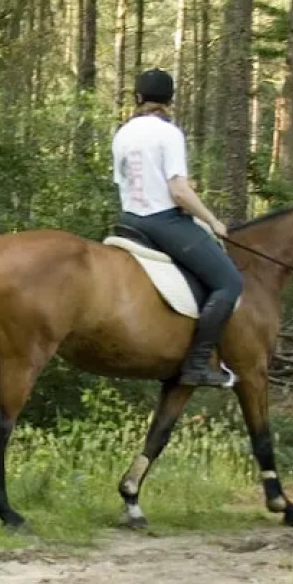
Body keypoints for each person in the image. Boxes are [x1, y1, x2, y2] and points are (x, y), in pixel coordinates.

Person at [112, 68, 242, 388]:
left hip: (128, 221)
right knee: (229, 282)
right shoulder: (169, 133)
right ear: (169, 100)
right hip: (162, 221)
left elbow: (125, 182)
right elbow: (179, 192)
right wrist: (213, 221)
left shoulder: (122, 133)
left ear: (138, 98)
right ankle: (197, 363)